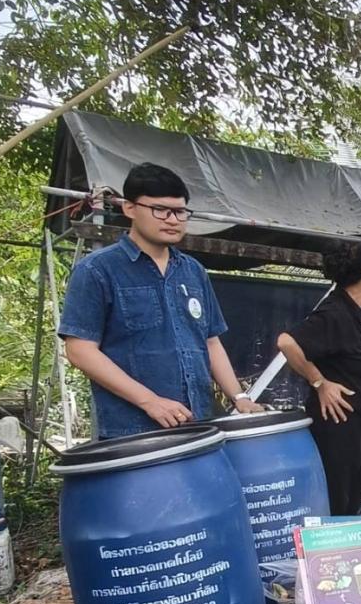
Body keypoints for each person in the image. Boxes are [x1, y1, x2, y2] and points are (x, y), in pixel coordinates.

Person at [59, 163, 262, 438]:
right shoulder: (98, 270)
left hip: (198, 424)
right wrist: (149, 401)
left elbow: (210, 341)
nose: (172, 219)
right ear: (129, 208)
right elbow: (80, 350)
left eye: (180, 212)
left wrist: (239, 396)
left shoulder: (193, 271)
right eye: (160, 210)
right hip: (133, 433)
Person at [277, 242, 361, 515]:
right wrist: (319, 383)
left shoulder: (359, 314)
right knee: (337, 505)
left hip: (360, 429)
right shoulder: (335, 313)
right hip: (338, 432)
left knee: (351, 504)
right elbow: (287, 342)